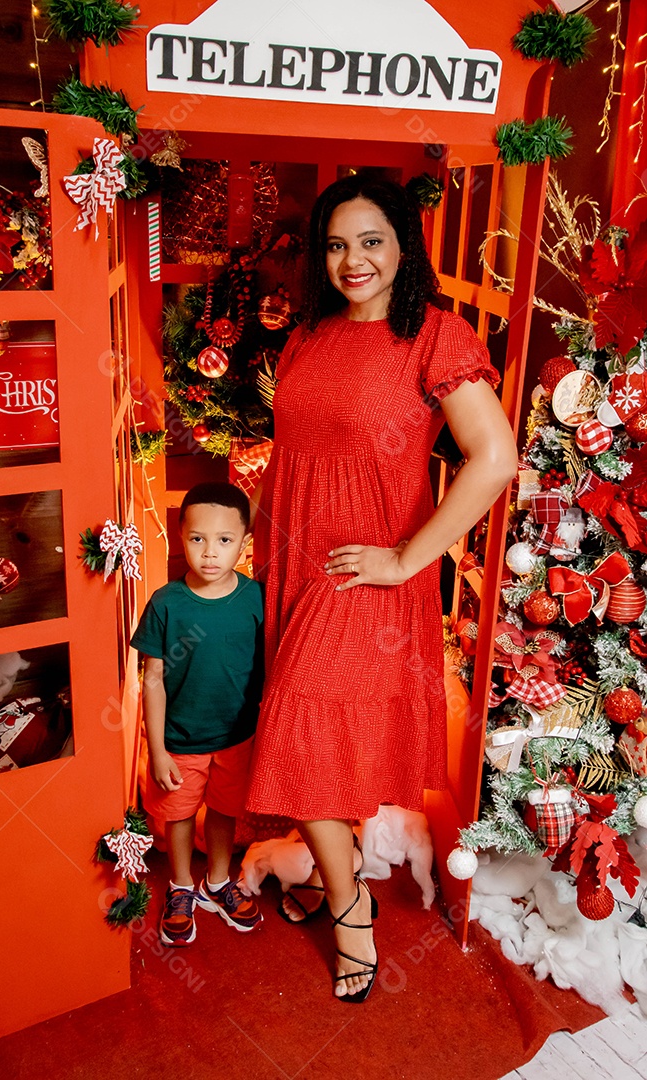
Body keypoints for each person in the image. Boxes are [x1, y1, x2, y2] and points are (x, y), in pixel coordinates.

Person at [245, 175, 518, 1001]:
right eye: (335, 244)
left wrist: (406, 559)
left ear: (404, 245)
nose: (352, 260)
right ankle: (343, 877)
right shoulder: (307, 338)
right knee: (316, 744)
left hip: (364, 575)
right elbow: (296, 457)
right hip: (292, 566)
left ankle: (349, 905)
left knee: (293, 735)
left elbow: (495, 458)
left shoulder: (434, 334)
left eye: (370, 240)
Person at [131, 482, 265, 947]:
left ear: (244, 543)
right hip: (181, 740)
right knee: (181, 815)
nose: (210, 553)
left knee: (225, 812)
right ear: (180, 536)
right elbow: (152, 679)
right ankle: (182, 886)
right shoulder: (166, 603)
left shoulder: (256, 599)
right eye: (197, 539)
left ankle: (218, 882)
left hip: (237, 736)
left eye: (224, 540)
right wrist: (159, 748)